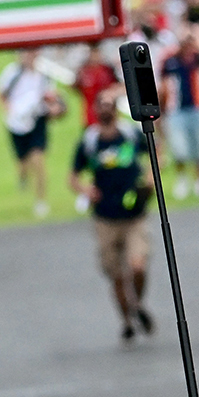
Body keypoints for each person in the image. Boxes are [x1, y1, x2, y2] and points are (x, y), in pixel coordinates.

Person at [71, 90, 156, 342]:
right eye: (102, 105)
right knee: (116, 275)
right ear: (96, 111)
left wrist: (149, 180)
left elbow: (155, 153)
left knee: (137, 266)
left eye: (110, 105)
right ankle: (127, 319)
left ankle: (137, 304)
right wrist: (86, 189)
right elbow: (73, 176)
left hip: (134, 215)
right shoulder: (90, 142)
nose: (106, 109)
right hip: (105, 218)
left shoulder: (130, 135)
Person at [0, 48, 64, 216]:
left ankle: (41, 200)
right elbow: (0, 94)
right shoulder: (12, 73)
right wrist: (11, 111)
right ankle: (23, 176)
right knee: (23, 162)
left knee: (38, 161)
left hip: (36, 121)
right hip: (17, 124)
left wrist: (54, 108)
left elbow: (51, 98)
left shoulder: (43, 75)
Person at [157, 30, 199, 200]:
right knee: (179, 148)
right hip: (176, 109)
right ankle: (182, 180)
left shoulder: (195, 59)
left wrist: (196, 35)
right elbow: (164, 84)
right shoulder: (170, 61)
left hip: (195, 107)